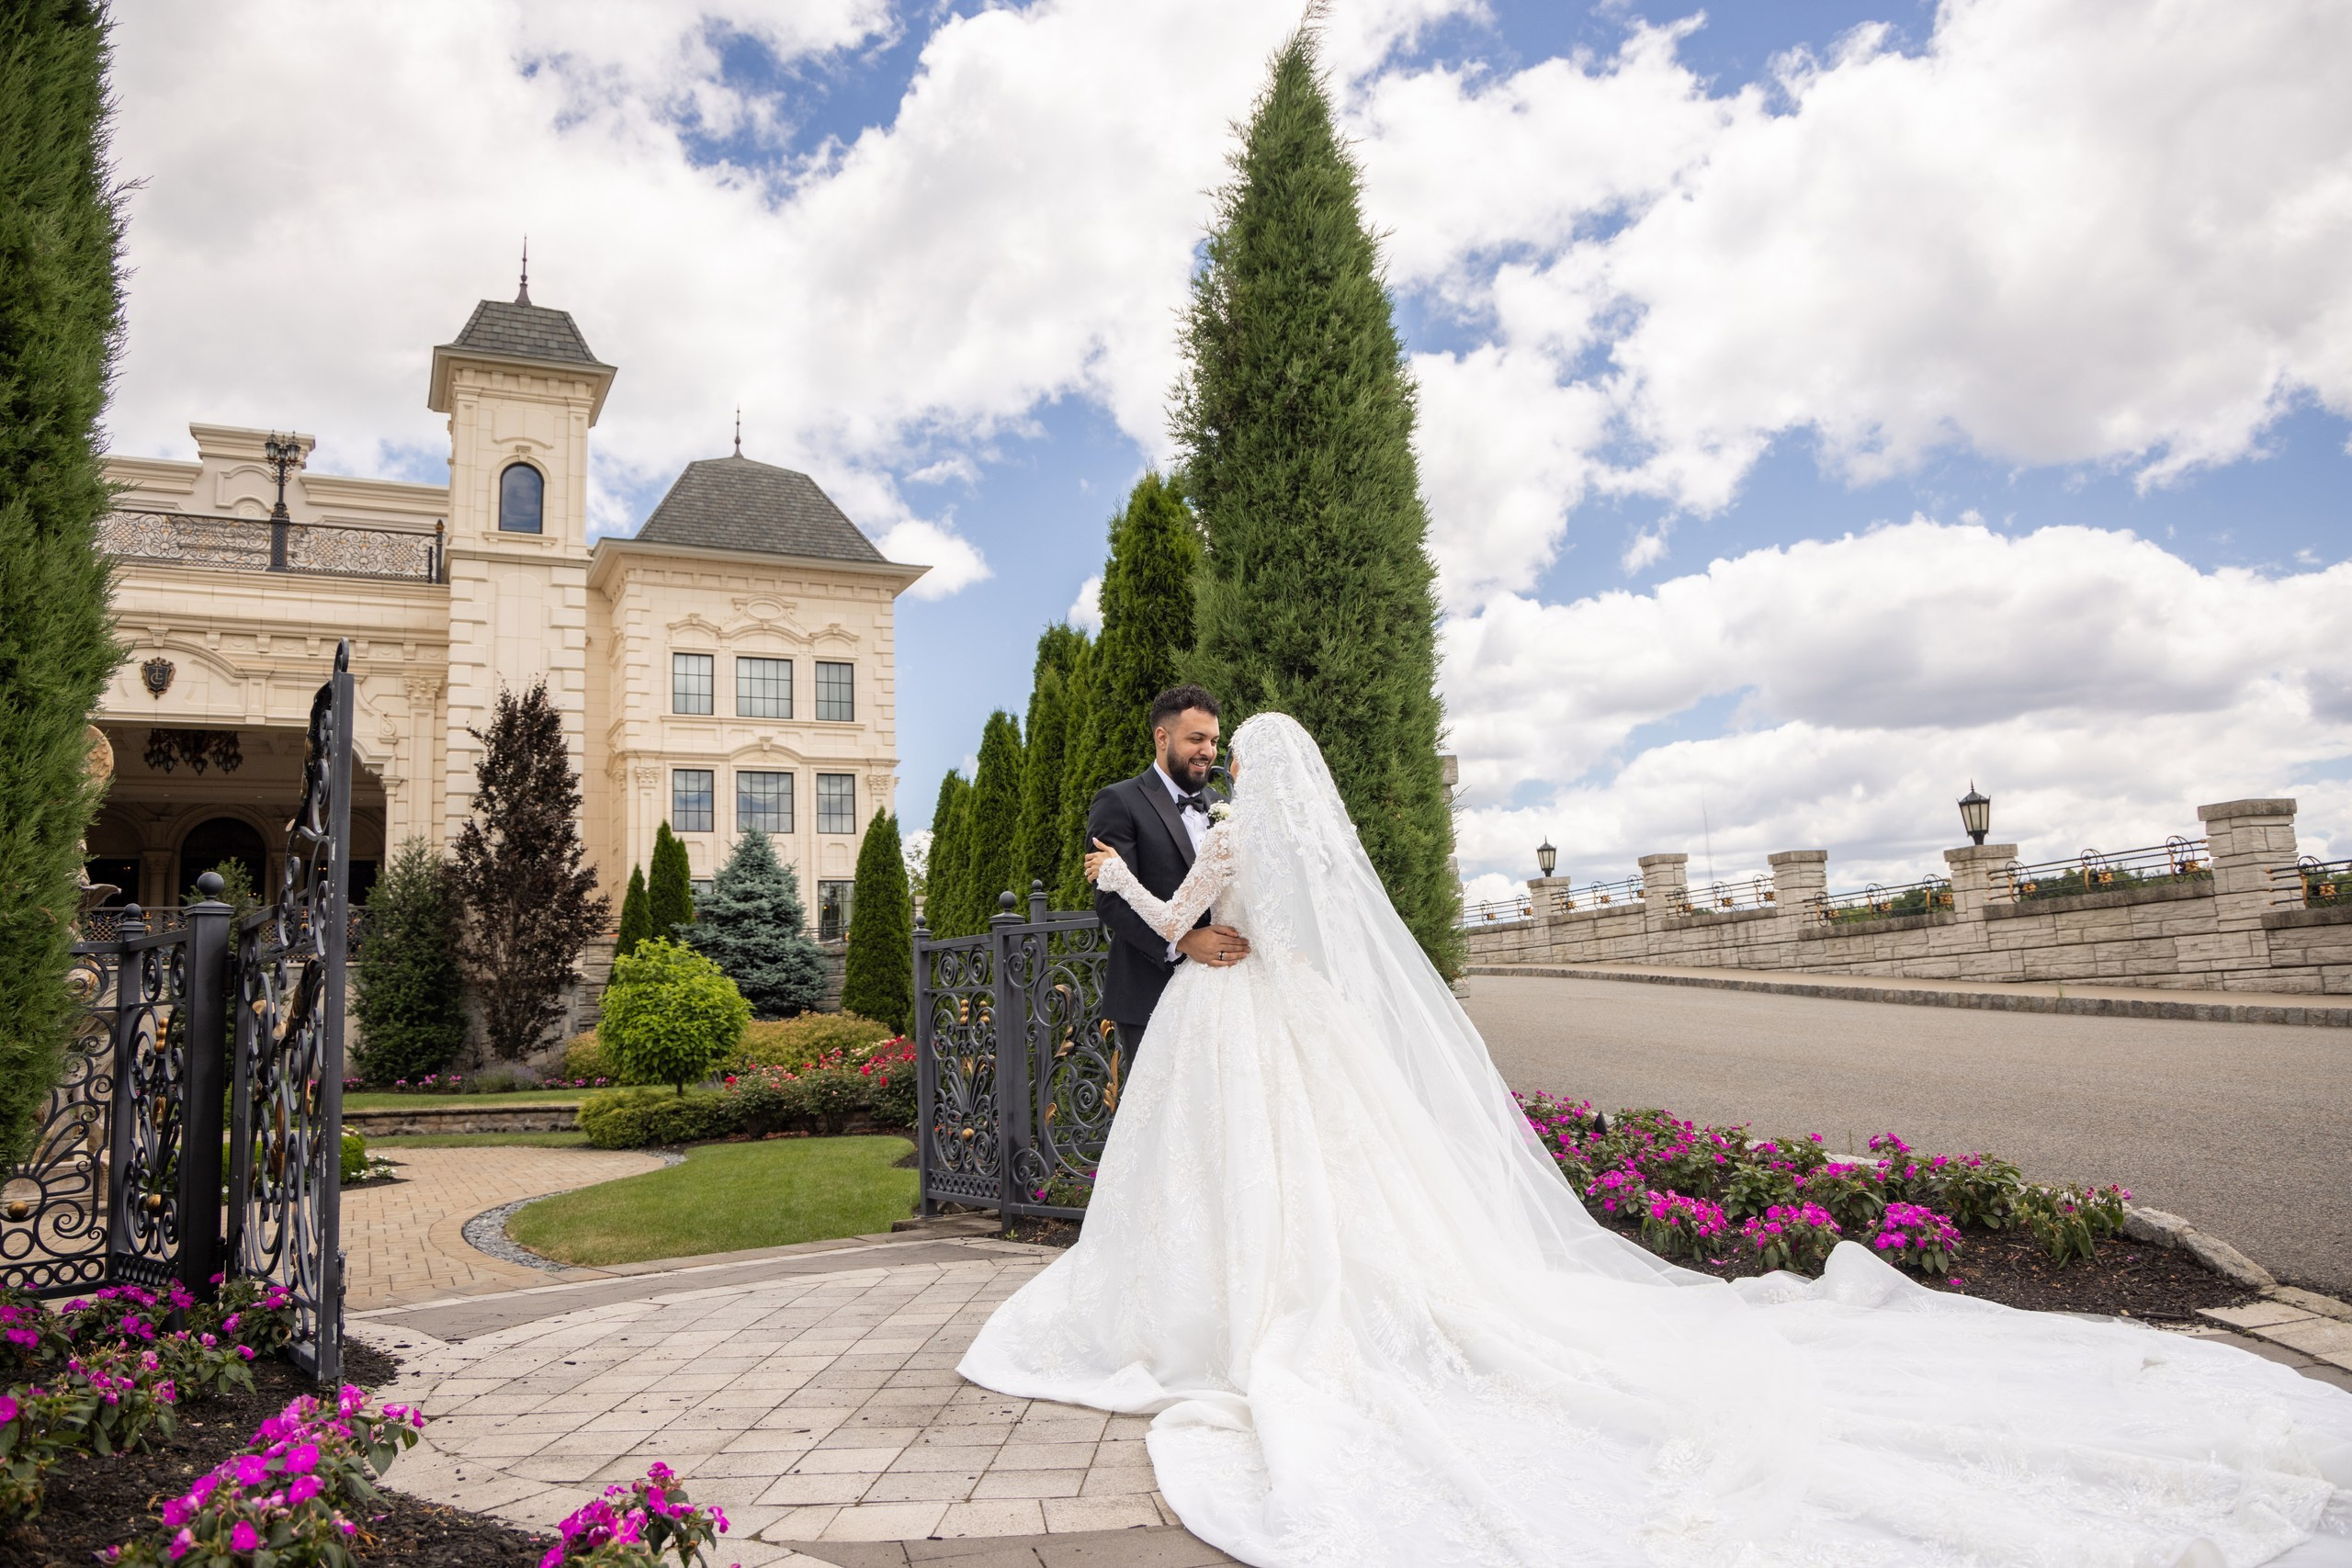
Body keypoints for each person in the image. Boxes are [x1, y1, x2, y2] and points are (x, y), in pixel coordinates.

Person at [959, 711, 2352, 1568]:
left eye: (1229, 749)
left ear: (1249, 767)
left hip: (1230, 1008)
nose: (1220, 760)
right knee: (1336, 1168)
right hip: (1288, 1010)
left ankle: (1254, 1299)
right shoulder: (1288, 839)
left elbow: (1162, 922)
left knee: (1250, 1172)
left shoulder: (1219, 834)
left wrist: (1117, 879)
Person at [1082, 682, 1250, 1060]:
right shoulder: (1118, 801)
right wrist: (1186, 941)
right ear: (1162, 737)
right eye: (1196, 739)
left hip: (1224, 995)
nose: (1208, 751)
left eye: (1213, 740)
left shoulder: (1223, 806)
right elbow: (1111, 903)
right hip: (1148, 992)